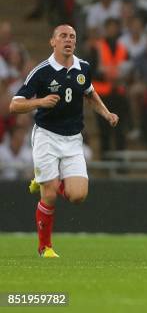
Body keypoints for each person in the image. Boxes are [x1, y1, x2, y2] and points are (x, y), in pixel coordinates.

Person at [9, 24, 118, 257]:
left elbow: (90, 93)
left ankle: (45, 179)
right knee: (49, 195)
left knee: (78, 195)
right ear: (53, 42)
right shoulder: (42, 71)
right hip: (46, 136)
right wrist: (39, 102)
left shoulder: (84, 68)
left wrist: (107, 113)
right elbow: (14, 104)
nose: (68, 40)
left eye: (72, 37)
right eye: (63, 36)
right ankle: (45, 247)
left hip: (73, 139)